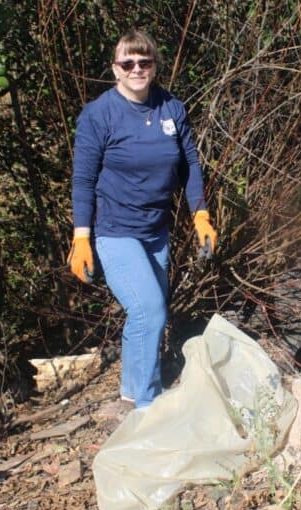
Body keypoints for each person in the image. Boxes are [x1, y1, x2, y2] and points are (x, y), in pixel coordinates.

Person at [67, 29, 217, 409]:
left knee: (144, 316)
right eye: (128, 63)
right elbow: (83, 180)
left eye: (144, 62)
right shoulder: (98, 115)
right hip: (116, 232)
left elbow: (190, 166)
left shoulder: (171, 108)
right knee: (150, 310)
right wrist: (81, 237)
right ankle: (149, 408)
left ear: (154, 66)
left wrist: (201, 214)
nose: (137, 69)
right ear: (115, 69)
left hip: (156, 231)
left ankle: (132, 392)